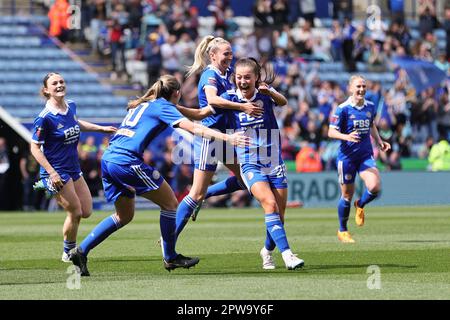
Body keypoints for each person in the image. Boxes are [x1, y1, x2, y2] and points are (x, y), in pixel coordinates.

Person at [68, 75, 249, 276]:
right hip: (126, 160)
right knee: (171, 203)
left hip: (109, 159)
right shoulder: (163, 106)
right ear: (177, 94)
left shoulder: (144, 105)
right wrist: (227, 137)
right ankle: (170, 256)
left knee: (124, 215)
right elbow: (195, 128)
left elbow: (197, 116)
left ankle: (81, 250)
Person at [218, 57, 304, 270]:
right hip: (249, 162)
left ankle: (266, 250)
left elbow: (283, 102)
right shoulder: (228, 99)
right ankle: (288, 255)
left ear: (256, 78)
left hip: (274, 162)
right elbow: (210, 105)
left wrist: (271, 92)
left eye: (247, 77)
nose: (242, 81)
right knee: (269, 204)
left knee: (279, 217)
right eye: (239, 77)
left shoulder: (265, 95)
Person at [174, 35, 263, 234]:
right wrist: (242, 107)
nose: (230, 57)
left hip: (228, 135)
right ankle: (168, 237)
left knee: (244, 179)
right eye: (226, 53)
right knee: (195, 193)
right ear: (213, 56)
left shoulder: (228, 72)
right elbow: (212, 100)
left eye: (231, 53)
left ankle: (205, 195)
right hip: (211, 136)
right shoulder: (210, 75)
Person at [30, 72, 117, 262]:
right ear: (46, 90)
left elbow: (75, 123)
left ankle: (69, 247)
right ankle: (68, 251)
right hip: (56, 172)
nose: (60, 85)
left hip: (73, 168)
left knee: (86, 211)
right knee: (75, 212)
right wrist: (52, 173)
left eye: (61, 81)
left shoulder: (71, 106)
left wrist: (100, 128)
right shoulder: (44, 118)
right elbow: (34, 148)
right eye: (55, 83)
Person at [328, 75, 391, 243]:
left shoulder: (370, 106)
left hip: (365, 155)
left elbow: (371, 125)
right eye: (358, 86)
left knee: (375, 186)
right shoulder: (343, 108)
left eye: (364, 86)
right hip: (347, 157)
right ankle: (342, 231)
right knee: (346, 195)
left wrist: (379, 141)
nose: (361, 89)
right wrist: (346, 137)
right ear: (350, 88)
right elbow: (331, 132)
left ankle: (360, 204)